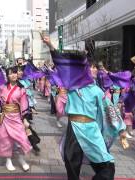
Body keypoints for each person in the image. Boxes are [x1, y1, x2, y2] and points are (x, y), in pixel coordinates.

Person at [43, 35, 118, 180]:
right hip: (74, 128)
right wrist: (50, 45)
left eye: (95, 68)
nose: (93, 70)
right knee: (71, 160)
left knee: (107, 165)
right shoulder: (72, 86)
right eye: (90, 67)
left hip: (92, 130)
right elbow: (61, 65)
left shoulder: (97, 91)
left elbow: (109, 109)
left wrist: (119, 128)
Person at [0, 66, 32, 171]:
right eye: (11, 73)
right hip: (4, 116)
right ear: (7, 75)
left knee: (21, 139)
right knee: (5, 140)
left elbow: (24, 104)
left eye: (15, 73)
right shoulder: (2, 87)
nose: (13, 75)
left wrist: (25, 119)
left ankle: (21, 159)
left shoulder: (21, 89)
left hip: (16, 118)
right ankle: (8, 161)